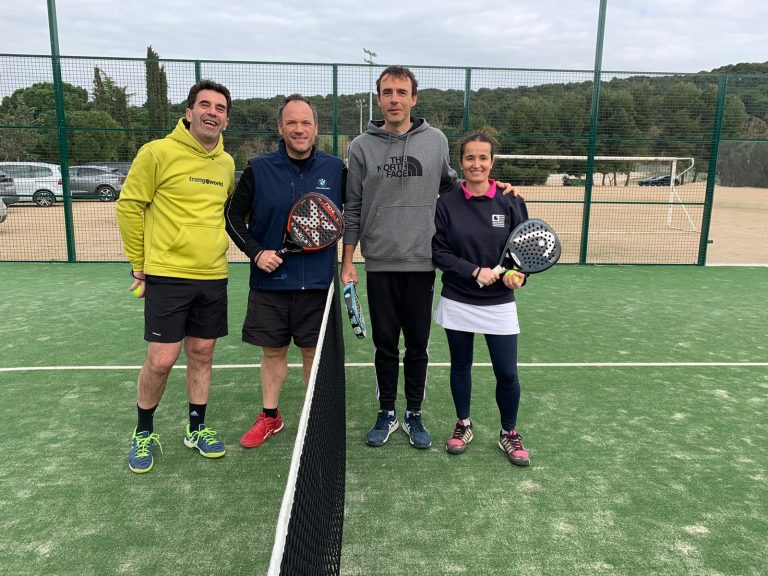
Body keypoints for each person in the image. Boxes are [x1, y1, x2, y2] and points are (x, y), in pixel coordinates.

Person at [116, 80, 235, 474]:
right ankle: (143, 433)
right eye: (205, 105)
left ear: (226, 119)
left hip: (213, 274)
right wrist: (139, 264)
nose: (212, 112)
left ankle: (196, 429)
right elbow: (129, 207)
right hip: (167, 275)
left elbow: (224, 213)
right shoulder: (157, 153)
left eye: (220, 108)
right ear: (189, 112)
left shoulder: (226, 164)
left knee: (202, 353)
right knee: (162, 360)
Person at [225, 94, 345, 448]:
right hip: (270, 284)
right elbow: (232, 216)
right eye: (291, 122)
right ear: (280, 127)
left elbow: (355, 212)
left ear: (316, 128)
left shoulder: (336, 169)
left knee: (312, 355)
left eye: (306, 122)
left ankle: (315, 420)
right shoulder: (258, 168)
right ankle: (270, 417)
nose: (299, 129)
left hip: (317, 285)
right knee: (273, 353)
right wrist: (256, 252)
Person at [431, 131, 531, 466]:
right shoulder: (446, 203)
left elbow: (523, 249)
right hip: (458, 299)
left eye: (483, 158)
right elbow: (439, 251)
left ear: (492, 162)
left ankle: (509, 431)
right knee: (461, 366)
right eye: (470, 158)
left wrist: (518, 276)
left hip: (499, 302)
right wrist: (474, 271)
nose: (477, 164)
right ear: (461, 163)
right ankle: (463, 424)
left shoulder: (510, 200)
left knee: (507, 373)